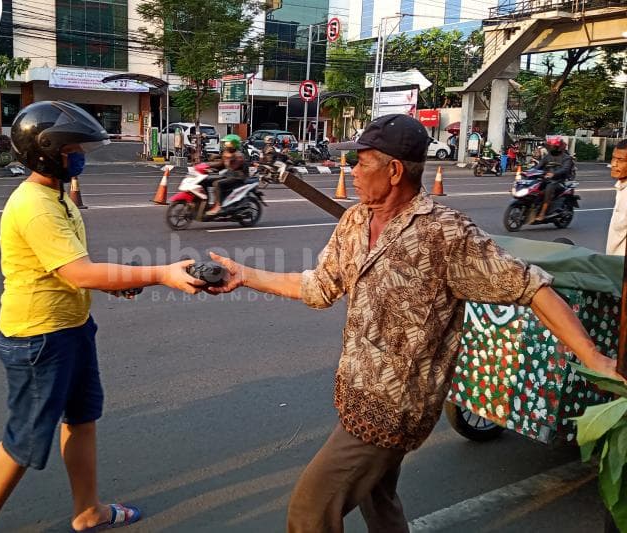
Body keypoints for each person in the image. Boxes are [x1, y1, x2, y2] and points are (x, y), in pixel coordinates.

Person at [206, 114, 625, 533]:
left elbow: (530, 286)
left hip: (398, 404)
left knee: (310, 510)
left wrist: (593, 356)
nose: (350, 172)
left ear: (393, 171)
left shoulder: (445, 234)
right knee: (378, 495)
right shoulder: (355, 221)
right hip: (355, 387)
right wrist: (247, 276)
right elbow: (320, 286)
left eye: (361, 163)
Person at [0, 101, 204, 533]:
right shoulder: (35, 204)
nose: (81, 156)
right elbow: (78, 271)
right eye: (74, 148)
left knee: (82, 418)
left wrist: (117, 282)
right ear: (47, 150)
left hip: (70, 328)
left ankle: (88, 510)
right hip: (39, 338)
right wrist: (161, 273)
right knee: (24, 440)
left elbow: (74, 269)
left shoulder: (58, 196)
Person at [206, 133, 247, 215]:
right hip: (228, 175)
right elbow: (221, 165)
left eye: (228, 143)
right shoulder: (226, 153)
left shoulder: (239, 155)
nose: (226, 145)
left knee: (217, 184)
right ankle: (206, 203)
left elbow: (232, 167)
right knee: (206, 181)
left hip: (237, 177)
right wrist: (206, 166)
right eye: (225, 143)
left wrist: (226, 159)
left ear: (234, 144)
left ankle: (219, 206)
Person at [534, 138, 574, 221]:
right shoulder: (547, 156)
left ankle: (542, 213)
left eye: (553, 146)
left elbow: (565, 169)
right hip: (546, 179)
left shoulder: (566, 157)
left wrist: (554, 174)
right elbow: (538, 166)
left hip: (559, 181)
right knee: (535, 186)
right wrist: (529, 171)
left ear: (558, 147)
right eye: (550, 146)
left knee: (549, 188)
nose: (551, 148)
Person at [606, 139, 627, 255]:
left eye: (620, 160)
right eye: (613, 158)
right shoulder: (621, 187)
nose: (614, 164)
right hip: (613, 264)